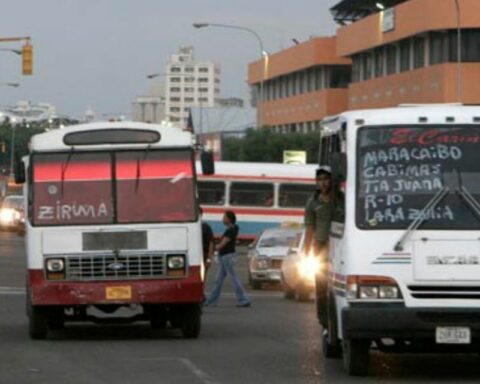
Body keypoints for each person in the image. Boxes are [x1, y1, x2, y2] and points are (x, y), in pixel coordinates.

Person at [304, 166, 334, 326]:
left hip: (339, 246)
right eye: (320, 180)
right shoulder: (312, 202)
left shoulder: (340, 199)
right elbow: (309, 228)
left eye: (326, 179)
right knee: (321, 285)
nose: (323, 183)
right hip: (320, 247)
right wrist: (306, 251)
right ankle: (323, 319)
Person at [204, 211, 251, 308]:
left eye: (224, 217)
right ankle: (212, 301)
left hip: (227, 257)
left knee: (234, 278)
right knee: (218, 280)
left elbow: (222, 245)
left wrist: (210, 248)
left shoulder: (230, 231)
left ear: (229, 219)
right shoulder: (232, 229)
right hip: (225, 257)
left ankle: (244, 299)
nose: (222, 219)